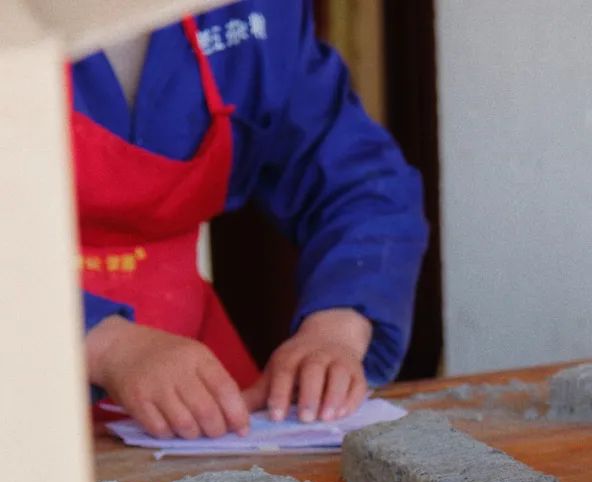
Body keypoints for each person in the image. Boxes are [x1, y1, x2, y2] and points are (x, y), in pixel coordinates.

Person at [76, 0, 427, 440]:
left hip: (190, 373)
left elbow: (358, 180)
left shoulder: (249, 11)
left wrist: (338, 325)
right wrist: (103, 342)